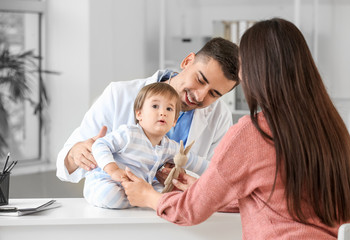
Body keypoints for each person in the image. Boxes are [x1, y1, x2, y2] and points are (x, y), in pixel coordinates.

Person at [120, 18, 350, 239]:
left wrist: (150, 197)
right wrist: (208, 191)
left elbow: (189, 212)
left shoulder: (253, 132)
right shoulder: (333, 128)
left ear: (257, 72)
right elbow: (280, 200)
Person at [56, 37, 240, 183]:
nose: (199, 96)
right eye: (200, 80)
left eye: (214, 94)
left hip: (178, 217)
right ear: (187, 61)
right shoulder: (119, 94)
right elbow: (66, 166)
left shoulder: (220, 116)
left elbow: (216, 177)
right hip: (119, 213)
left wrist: (184, 179)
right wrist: (75, 155)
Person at [83, 83, 208, 209]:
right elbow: (100, 144)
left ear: (174, 121)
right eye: (155, 106)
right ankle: (138, 200)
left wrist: (219, 171)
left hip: (139, 187)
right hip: (106, 180)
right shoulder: (129, 133)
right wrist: (113, 170)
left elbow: (194, 161)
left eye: (169, 109)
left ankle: (140, 200)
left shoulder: (170, 147)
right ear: (139, 114)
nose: (162, 112)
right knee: (111, 196)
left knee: (169, 194)